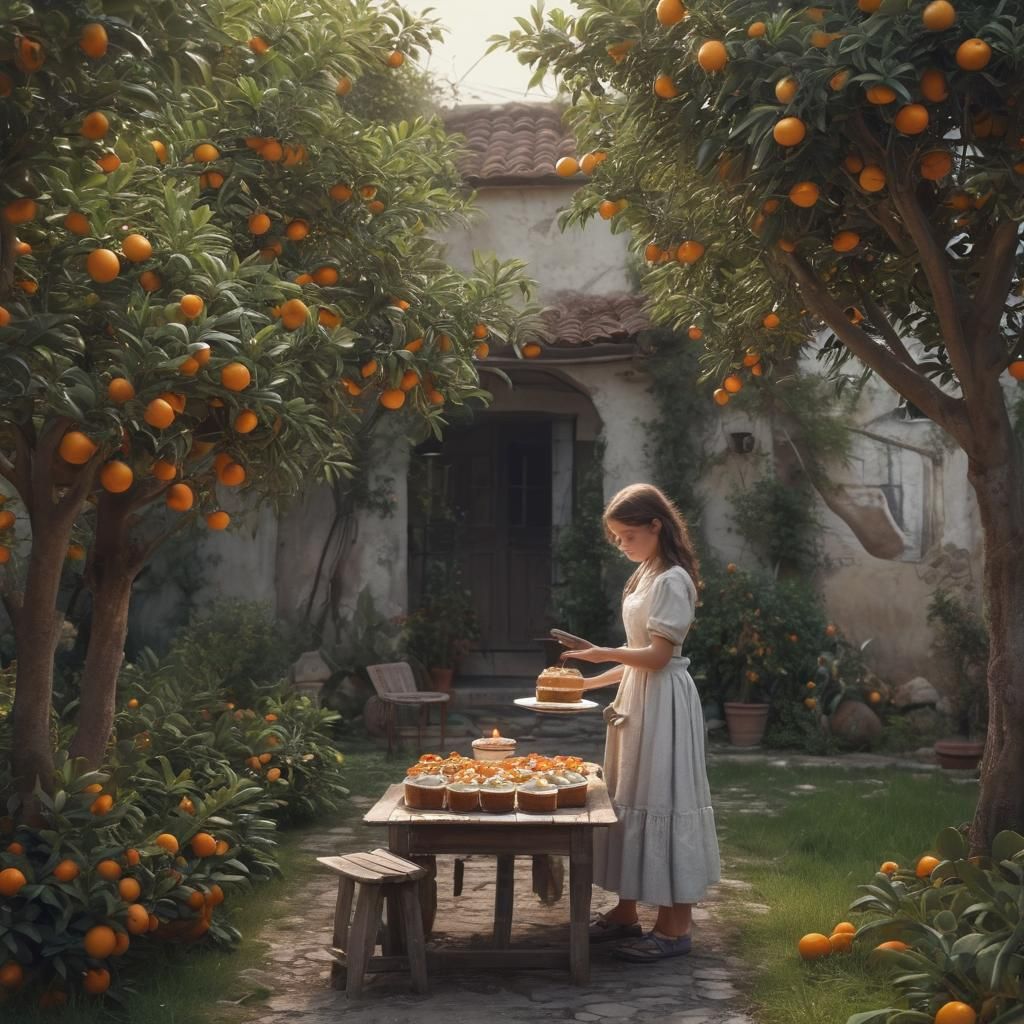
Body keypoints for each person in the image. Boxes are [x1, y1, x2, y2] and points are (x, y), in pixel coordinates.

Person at [562, 482, 721, 963]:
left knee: (664, 796)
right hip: (638, 698)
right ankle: (625, 911)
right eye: (616, 538)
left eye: (629, 535)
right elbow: (639, 657)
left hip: (664, 703)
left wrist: (601, 653)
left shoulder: (673, 579)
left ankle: (675, 927)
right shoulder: (645, 573)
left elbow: (658, 656)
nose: (622, 544)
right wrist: (587, 683)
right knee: (628, 796)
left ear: (656, 525)